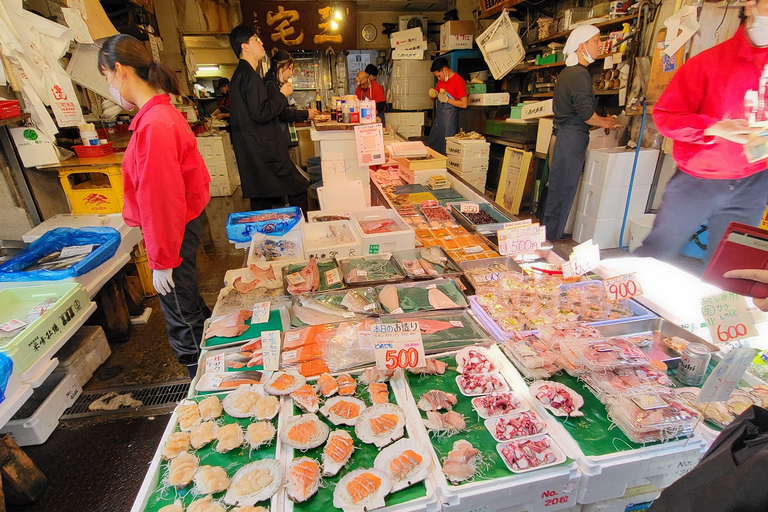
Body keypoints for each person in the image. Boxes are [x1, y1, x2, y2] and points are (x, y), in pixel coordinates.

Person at [98, 34, 211, 378]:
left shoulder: (156, 123)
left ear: (119, 71)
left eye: (106, 78)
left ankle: (204, 386)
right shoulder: (158, 115)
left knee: (182, 319)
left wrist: (162, 260)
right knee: (187, 305)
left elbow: (161, 199)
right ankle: (215, 371)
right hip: (179, 228)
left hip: (172, 234)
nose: (109, 87)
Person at [634, 1, 768, 264]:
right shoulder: (708, 63)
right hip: (697, 181)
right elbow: (665, 117)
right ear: (750, 5)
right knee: (657, 253)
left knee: (732, 267)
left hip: (755, 180)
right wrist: (713, 127)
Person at [542, 25, 617, 241]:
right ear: (581, 46)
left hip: (564, 135)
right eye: (596, 41)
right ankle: (551, 239)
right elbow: (585, 114)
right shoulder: (579, 74)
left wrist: (601, 121)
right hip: (570, 138)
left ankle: (547, 233)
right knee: (563, 188)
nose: (600, 45)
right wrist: (605, 122)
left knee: (556, 186)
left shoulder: (568, 73)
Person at [228, 25, 309, 213]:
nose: (261, 42)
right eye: (256, 39)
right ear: (245, 47)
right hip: (264, 154)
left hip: (253, 153)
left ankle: (267, 239)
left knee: (262, 203)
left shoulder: (241, 75)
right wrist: (282, 95)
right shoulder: (249, 77)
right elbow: (261, 113)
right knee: (298, 186)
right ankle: (300, 232)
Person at [264, 50, 317, 161]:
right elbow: (282, 113)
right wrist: (306, 113)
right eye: (289, 68)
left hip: (277, 139)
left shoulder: (274, 83)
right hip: (278, 139)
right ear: (279, 66)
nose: (291, 72)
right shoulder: (271, 85)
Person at [426, 58, 467, 155]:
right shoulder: (441, 82)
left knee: (446, 150)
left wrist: (448, 100)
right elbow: (434, 98)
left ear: (445, 70)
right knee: (433, 148)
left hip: (450, 124)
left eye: (439, 76)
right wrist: (432, 95)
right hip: (439, 122)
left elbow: (464, 104)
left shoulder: (458, 81)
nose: (438, 79)